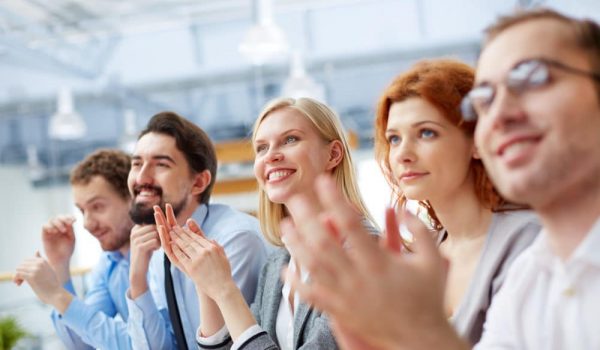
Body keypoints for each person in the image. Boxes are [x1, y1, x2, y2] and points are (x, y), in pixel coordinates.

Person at [282, 8, 600, 350]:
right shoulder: (536, 271)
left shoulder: (525, 244)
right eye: (486, 99)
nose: (499, 114)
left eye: (534, 79)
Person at [155, 97, 378, 349]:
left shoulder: (365, 251)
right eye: (261, 148)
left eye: (290, 139)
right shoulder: (277, 264)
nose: (271, 156)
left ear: (333, 154)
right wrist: (205, 284)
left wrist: (225, 291)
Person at [373, 59, 539, 344]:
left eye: (426, 133)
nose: (402, 154)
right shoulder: (426, 252)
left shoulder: (529, 240)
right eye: (395, 139)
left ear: (478, 140)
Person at [125, 111, 268, 350]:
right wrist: (137, 282)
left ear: (199, 182)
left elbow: (229, 345)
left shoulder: (235, 240)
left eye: (161, 164)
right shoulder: (157, 251)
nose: (141, 177)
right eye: (137, 163)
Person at [14, 149, 135, 349]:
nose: (87, 223)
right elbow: (82, 344)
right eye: (81, 210)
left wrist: (56, 295)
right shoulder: (109, 264)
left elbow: (145, 345)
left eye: (97, 207)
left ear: (133, 199)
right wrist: (59, 265)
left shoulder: (162, 257)